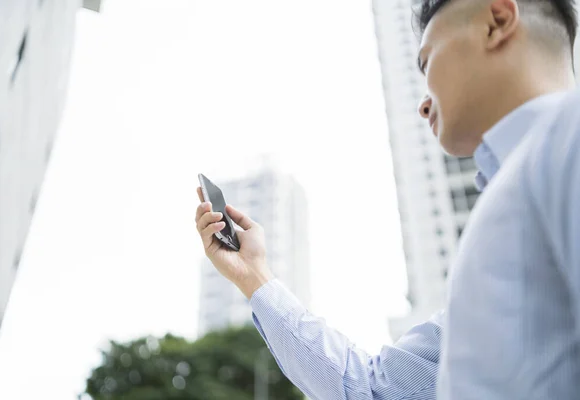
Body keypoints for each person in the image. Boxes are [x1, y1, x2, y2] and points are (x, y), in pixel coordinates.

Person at [195, 0, 580, 398]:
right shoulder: (501, 227)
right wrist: (253, 276)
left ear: (495, 21)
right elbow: (373, 389)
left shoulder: (565, 148)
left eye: (427, 62)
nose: (423, 102)